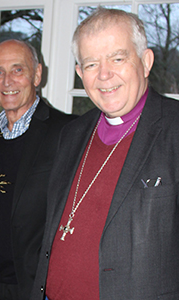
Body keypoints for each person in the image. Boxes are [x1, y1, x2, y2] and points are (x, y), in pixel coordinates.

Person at [31, 7, 179, 300]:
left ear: (146, 62)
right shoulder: (72, 134)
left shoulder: (174, 129)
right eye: (91, 64)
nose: (104, 75)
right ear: (79, 73)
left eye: (118, 58)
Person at [0, 39, 76, 300]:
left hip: (36, 282)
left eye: (17, 70)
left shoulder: (67, 132)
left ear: (37, 74)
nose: (7, 81)